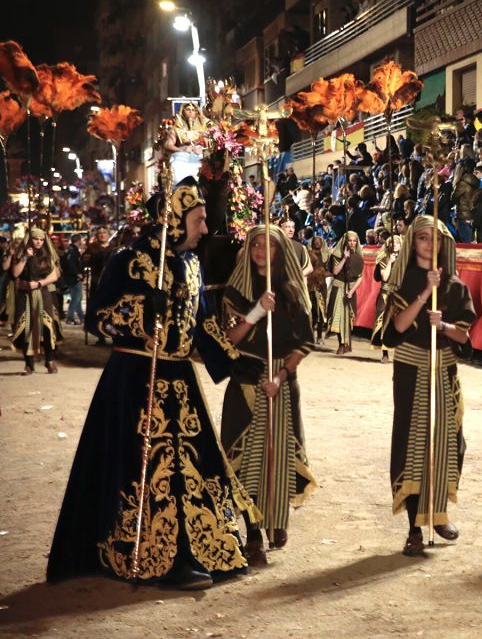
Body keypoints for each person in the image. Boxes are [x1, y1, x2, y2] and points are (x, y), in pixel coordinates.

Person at [47, 181, 256, 590]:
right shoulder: (130, 259)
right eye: (197, 221)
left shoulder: (193, 264)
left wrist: (237, 361)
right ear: (175, 222)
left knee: (191, 465)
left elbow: (201, 325)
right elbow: (99, 318)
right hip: (134, 380)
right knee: (144, 467)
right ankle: (159, 555)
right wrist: (143, 310)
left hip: (179, 379)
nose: (203, 228)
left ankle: (198, 548)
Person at [375, 216, 477, 556]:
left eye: (435, 238)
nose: (429, 244)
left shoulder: (457, 286)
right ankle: (413, 528)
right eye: (422, 238)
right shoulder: (402, 282)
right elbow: (398, 326)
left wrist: (444, 324)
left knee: (448, 442)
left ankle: (438, 513)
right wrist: (424, 294)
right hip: (410, 369)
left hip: (444, 370)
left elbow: (463, 336)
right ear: (412, 243)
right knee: (412, 443)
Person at [220, 225, 316, 566]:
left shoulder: (292, 289)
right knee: (246, 462)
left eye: (269, 245)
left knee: (279, 458)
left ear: (281, 251)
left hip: (282, 383)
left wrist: (283, 373)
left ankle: (276, 520)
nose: (261, 250)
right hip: (247, 384)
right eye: (255, 244)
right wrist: (257, 311)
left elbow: (305, 341)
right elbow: (230, 338)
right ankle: (254, 533)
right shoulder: (236, 290)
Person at [11, 228, 63, 374]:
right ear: (30, 239)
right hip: (25, 295)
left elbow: (54, 276)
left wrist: (39, 283)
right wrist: (26, 257)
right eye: (35, 239)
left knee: (47, 328)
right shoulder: (21, 254)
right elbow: (15, 273)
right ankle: (29, 364)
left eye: (41, 239)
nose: (39, 242)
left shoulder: (48, 255)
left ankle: (49, 360)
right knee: (27, 329)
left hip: (43, 293)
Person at [373, 218, 405, 364]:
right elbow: (384, 277)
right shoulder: (384, 258)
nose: (395, 244)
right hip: (386, 294)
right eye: (393, 242)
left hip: (399, 295)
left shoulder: (405, 259)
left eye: (398, 242)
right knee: (384, 324)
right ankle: (385, 353)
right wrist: (390, 263)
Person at [326, 231, 363, 355]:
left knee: (348, 318)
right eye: (350, 240)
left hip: (351, 290)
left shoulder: (358, 257)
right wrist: (344, 258)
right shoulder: (336, 255)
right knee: (338, 317)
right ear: (345, 241)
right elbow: (335, 271)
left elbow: (360, 277)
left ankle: (347, 344)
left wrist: (352, 291)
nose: (352, 243)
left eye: (354, 241)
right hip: (339, 288)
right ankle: (341, 344)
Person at [165, 103, 207, 185]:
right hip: (182, 157)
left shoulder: (203, 129)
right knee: (176, 165)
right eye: (188, 110)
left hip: (199, 156)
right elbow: (168, 145)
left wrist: (201, 149)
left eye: (193, 110)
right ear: (182, 112)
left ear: (196, 113)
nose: (191, 112)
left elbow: (209, 145)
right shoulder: (175, 129)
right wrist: (182, 149)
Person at [84, 226, 111, 345]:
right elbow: (84, 261)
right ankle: (100, 336)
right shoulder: (92, 248)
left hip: (111, 282)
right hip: (97, 283)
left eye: (104, 233)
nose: (102, 235)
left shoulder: (114, 246)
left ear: (108, 234)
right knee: (98, 310)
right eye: (99, 233)